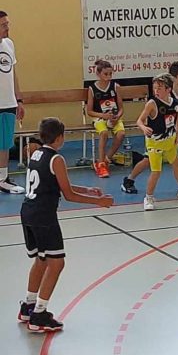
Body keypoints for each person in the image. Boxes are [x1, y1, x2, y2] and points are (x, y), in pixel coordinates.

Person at [18, 117, 113, 332]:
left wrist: (87, 190)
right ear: (60, 137)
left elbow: (56, 184)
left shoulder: (36, 153)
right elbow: (68, 195)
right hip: (43, 216)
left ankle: (29, 306)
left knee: (41, 260)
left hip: (28, 212)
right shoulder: (56, 158)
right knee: (56, 263)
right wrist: (98, 202)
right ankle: (39, 314)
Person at [121, 64, 178, 194]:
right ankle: (130, 180)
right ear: (173, 79)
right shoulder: (160, 97)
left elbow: (177, 114)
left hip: (171, 133)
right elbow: (166, 115)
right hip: (157, 134)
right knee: (148, 161)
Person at [136, 73, 178, 211]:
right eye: (154, 88)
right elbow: (139, 120)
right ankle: (148, 197)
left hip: (170, 140)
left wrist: (177, 135)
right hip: (155, 143)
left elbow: (176, 119)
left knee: (177, 164)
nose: (156, 91)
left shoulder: (174, 103)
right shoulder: (152, 104)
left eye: (159, 88)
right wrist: (143, 128)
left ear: (168, 89)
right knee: (156, 171)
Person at [86, 59, 126, 178]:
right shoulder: (92, 89)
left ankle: (106, 160)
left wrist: (117, 116)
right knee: (104, 133)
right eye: (105, 74)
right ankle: (101, 164)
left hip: (114, 117)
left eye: (110, 74)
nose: (108, 77)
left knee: (121, 134)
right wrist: (103, 116)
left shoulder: (116, 87)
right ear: (98, 74)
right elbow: (89, 111)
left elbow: (121, 108)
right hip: (99, 118)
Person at [0, 10, 25, 194]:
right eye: (3, 25)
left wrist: (19, 99)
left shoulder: (9, 44)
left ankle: (2, 178)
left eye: (7, 24)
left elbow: (13, 73)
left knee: (5, 142)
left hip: (8, 102)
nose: (7, 27)